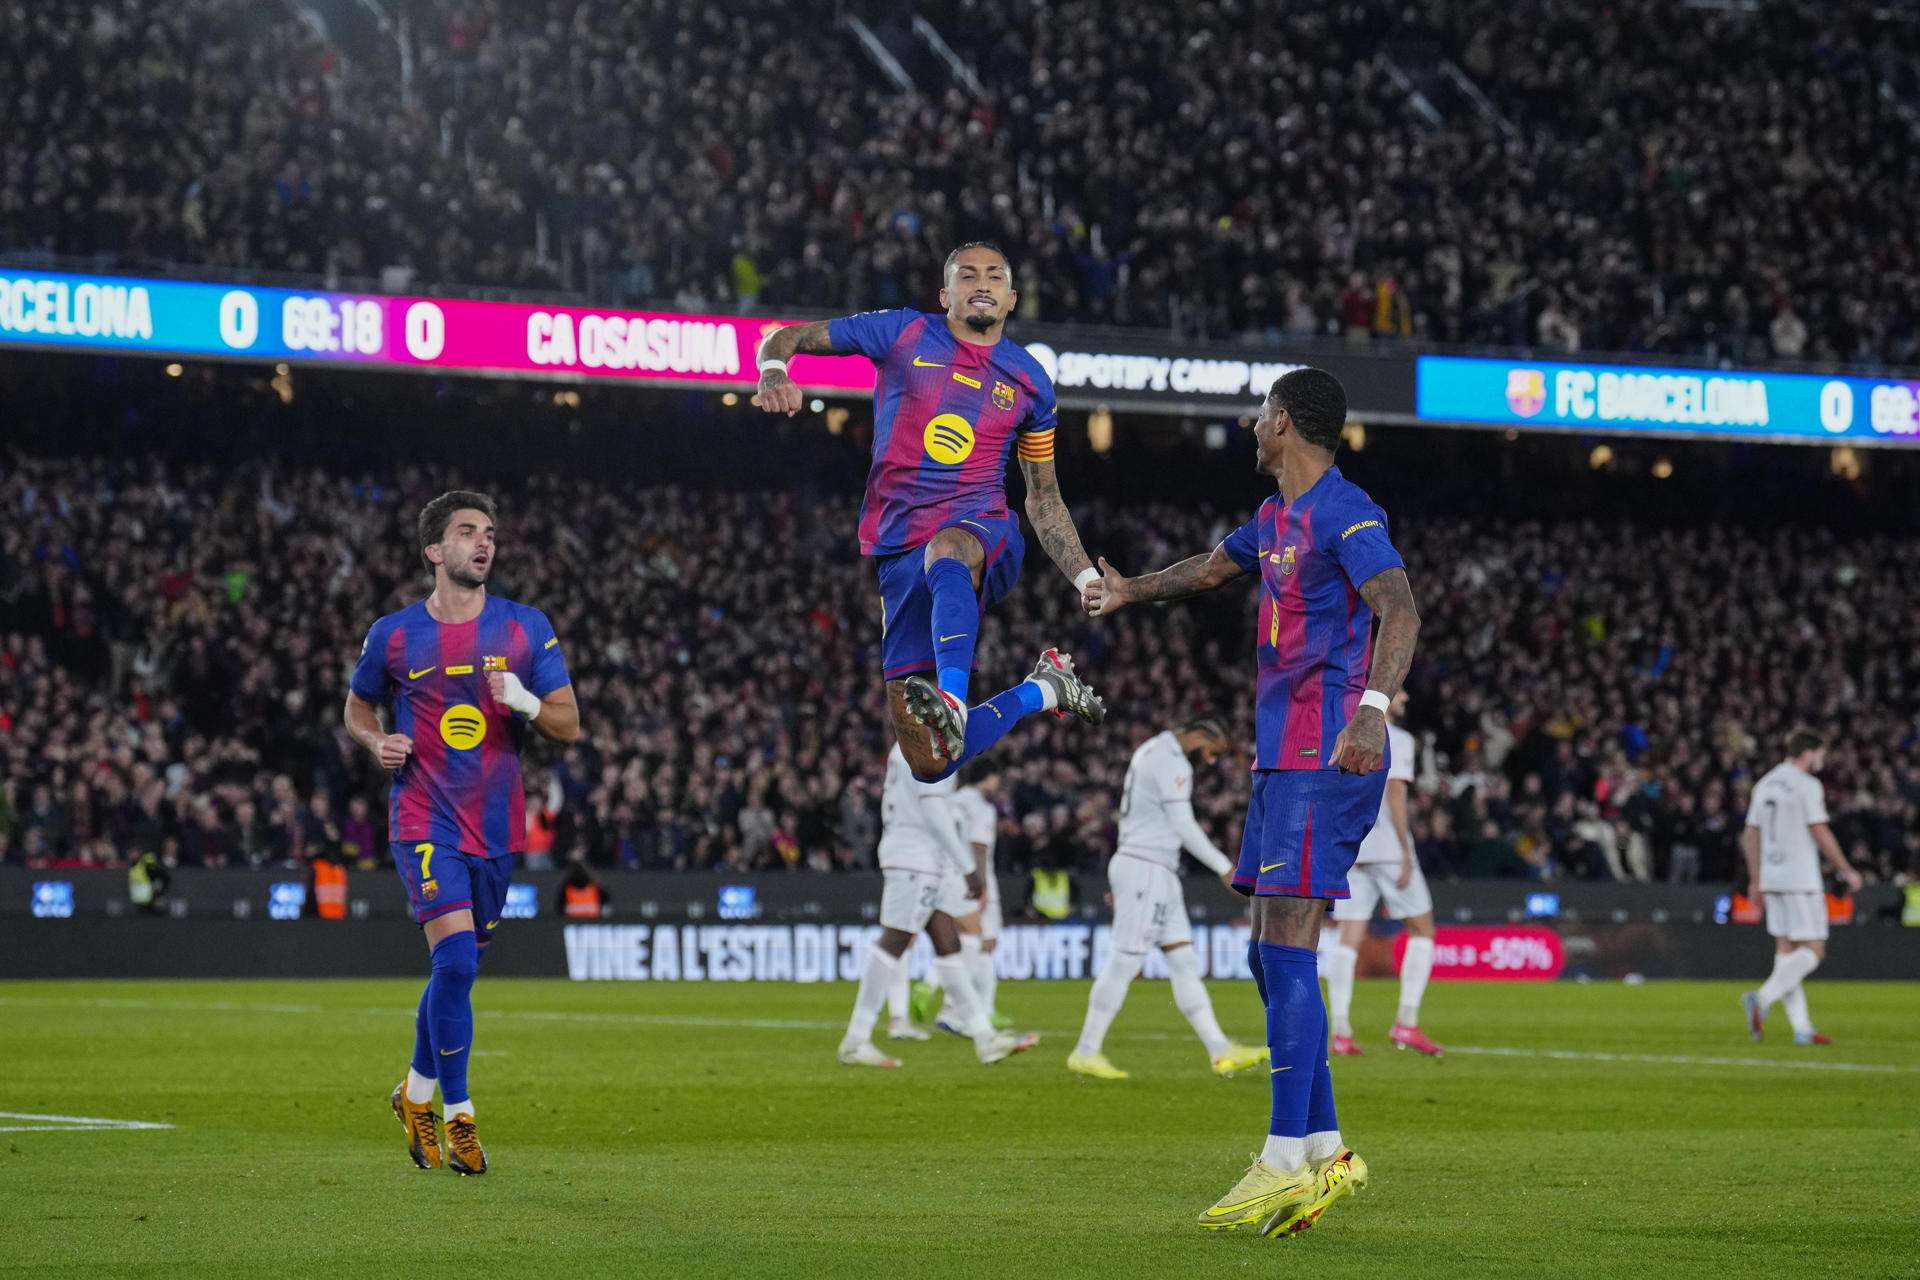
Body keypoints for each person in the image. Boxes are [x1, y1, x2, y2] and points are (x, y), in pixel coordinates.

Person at [1087, 368, 1421, 1239]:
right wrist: (1128, 589)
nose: (1250, 426)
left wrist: (1373, 711)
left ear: (1288, 423)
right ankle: (1326, 1147)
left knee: (1288, 945)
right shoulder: (1274, 519)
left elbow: (1400, 611)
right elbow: (1208, 570)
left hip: (1327, 748)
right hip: (1280, 756)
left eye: (1261, 414)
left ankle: (1280, 1157)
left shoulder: (1347, 511)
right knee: (1265, 956)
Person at [755, 242, 1107, 782]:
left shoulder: (1030, 380)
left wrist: (1085, 576)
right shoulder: (903, 332)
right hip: (898, 546)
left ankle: (954, 699)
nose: (982, 284)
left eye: (995, 276)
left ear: (1012, 298)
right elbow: (789, 336)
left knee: (948, 549)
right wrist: (774, 370)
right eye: (968, 275)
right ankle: (1044, 689)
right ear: (945, 294)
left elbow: (1043, 496)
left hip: (982, 526)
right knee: (928, 762)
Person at [344, 491, 582, 1175]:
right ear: (434, 549)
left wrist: (525, 701)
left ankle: (414, 1094)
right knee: (453, 963)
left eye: (490, 534)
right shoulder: (394, 634)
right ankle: (459, 1115)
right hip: (423, 818)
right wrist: (377, 742)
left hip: (498, 827)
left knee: (461, 969)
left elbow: (568, 724)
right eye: (468, 532)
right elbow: (357, 707)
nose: (484, 543)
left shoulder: (525, 627)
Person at [1068, 717, 1269, 1080]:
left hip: (1159, 869)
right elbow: (1183, 823)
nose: (1210, 761)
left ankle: (1220, 1050)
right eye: (1211, 752)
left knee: (1183, 961)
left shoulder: (1153, 749)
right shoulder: (1171, 759)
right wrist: (1224, 866)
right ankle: (1086, 1051)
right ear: (1197, 737)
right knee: (1125, 960)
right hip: (1144, 867)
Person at [837, 744, 1039, 1068]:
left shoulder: (909, 741)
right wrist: (967, 868)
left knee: (949, 944)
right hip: (916, 857)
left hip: (923, 857)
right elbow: (933, 812)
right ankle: (856, 1039)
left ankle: (985, 1038)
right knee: (895, 941)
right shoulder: (927, 743)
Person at [1322, 692, 1443, 1057]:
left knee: (1348, 938)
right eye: (1400, 690)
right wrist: (1405, 850)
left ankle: (1340, 1030)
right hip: (1388, 847)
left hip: (1352, 845)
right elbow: (1394, 794)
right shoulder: (1398, 738)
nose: (1405, 696)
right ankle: (1406, 1022)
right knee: (1422, 929)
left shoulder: (1345, 733)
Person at [1740, 729, 1863, 1045]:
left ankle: (1802, 1029)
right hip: (1801, 878)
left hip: (1772, 877)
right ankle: (1762, 998)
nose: (1822, 760)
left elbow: (1750, 834)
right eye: (1820, 754)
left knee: (1787, 952)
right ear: (1808, 754)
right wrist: (1846, 869)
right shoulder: (1807, 785)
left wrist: (1755, 880)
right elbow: (1820, 831)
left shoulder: (1765, 784)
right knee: (1814, 950)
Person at [910, 766, 1010, 1032]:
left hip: (942, 871)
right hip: (970, 876)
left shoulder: (952, 799)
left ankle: (973, 1006)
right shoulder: (983, 808)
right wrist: (982, 886)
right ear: (989, 776)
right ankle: (953, 1004)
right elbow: (979, 847)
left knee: (962, 938)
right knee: (980, 940)